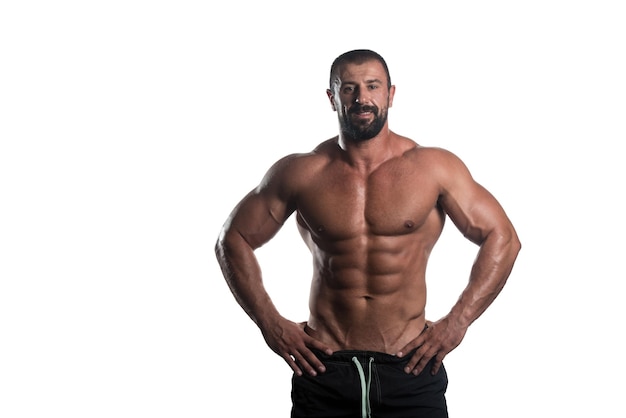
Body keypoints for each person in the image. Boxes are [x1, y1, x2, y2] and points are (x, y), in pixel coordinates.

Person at [215, 49, 521, 418]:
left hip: (410, 366)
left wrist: (458, 322)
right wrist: (270, 323)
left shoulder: (433, 168)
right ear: (332, 97)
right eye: (349, 88)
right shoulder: (302, 172)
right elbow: (232, 239)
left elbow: (502, 236)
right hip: (325, 368)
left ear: (390, 94)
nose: (362, 98)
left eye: (373, 86)